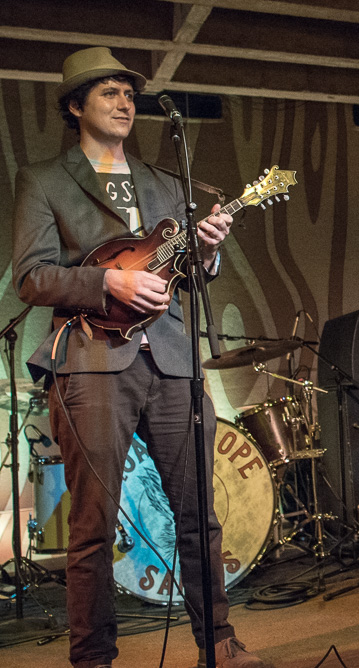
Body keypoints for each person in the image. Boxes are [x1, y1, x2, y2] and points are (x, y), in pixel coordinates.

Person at [11, 47, 271, 668]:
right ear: (75, 106)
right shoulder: (44, 179)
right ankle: (93, 657)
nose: (125, 102)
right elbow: (32, 278)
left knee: (199, 513)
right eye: (108, 92)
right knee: (93, 523)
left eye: (129, 93)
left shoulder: (165, 182)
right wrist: (108, 285)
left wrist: (206, 252)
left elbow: (185, 275)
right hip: (92, 360)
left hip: (174, 360)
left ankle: (219, 639)